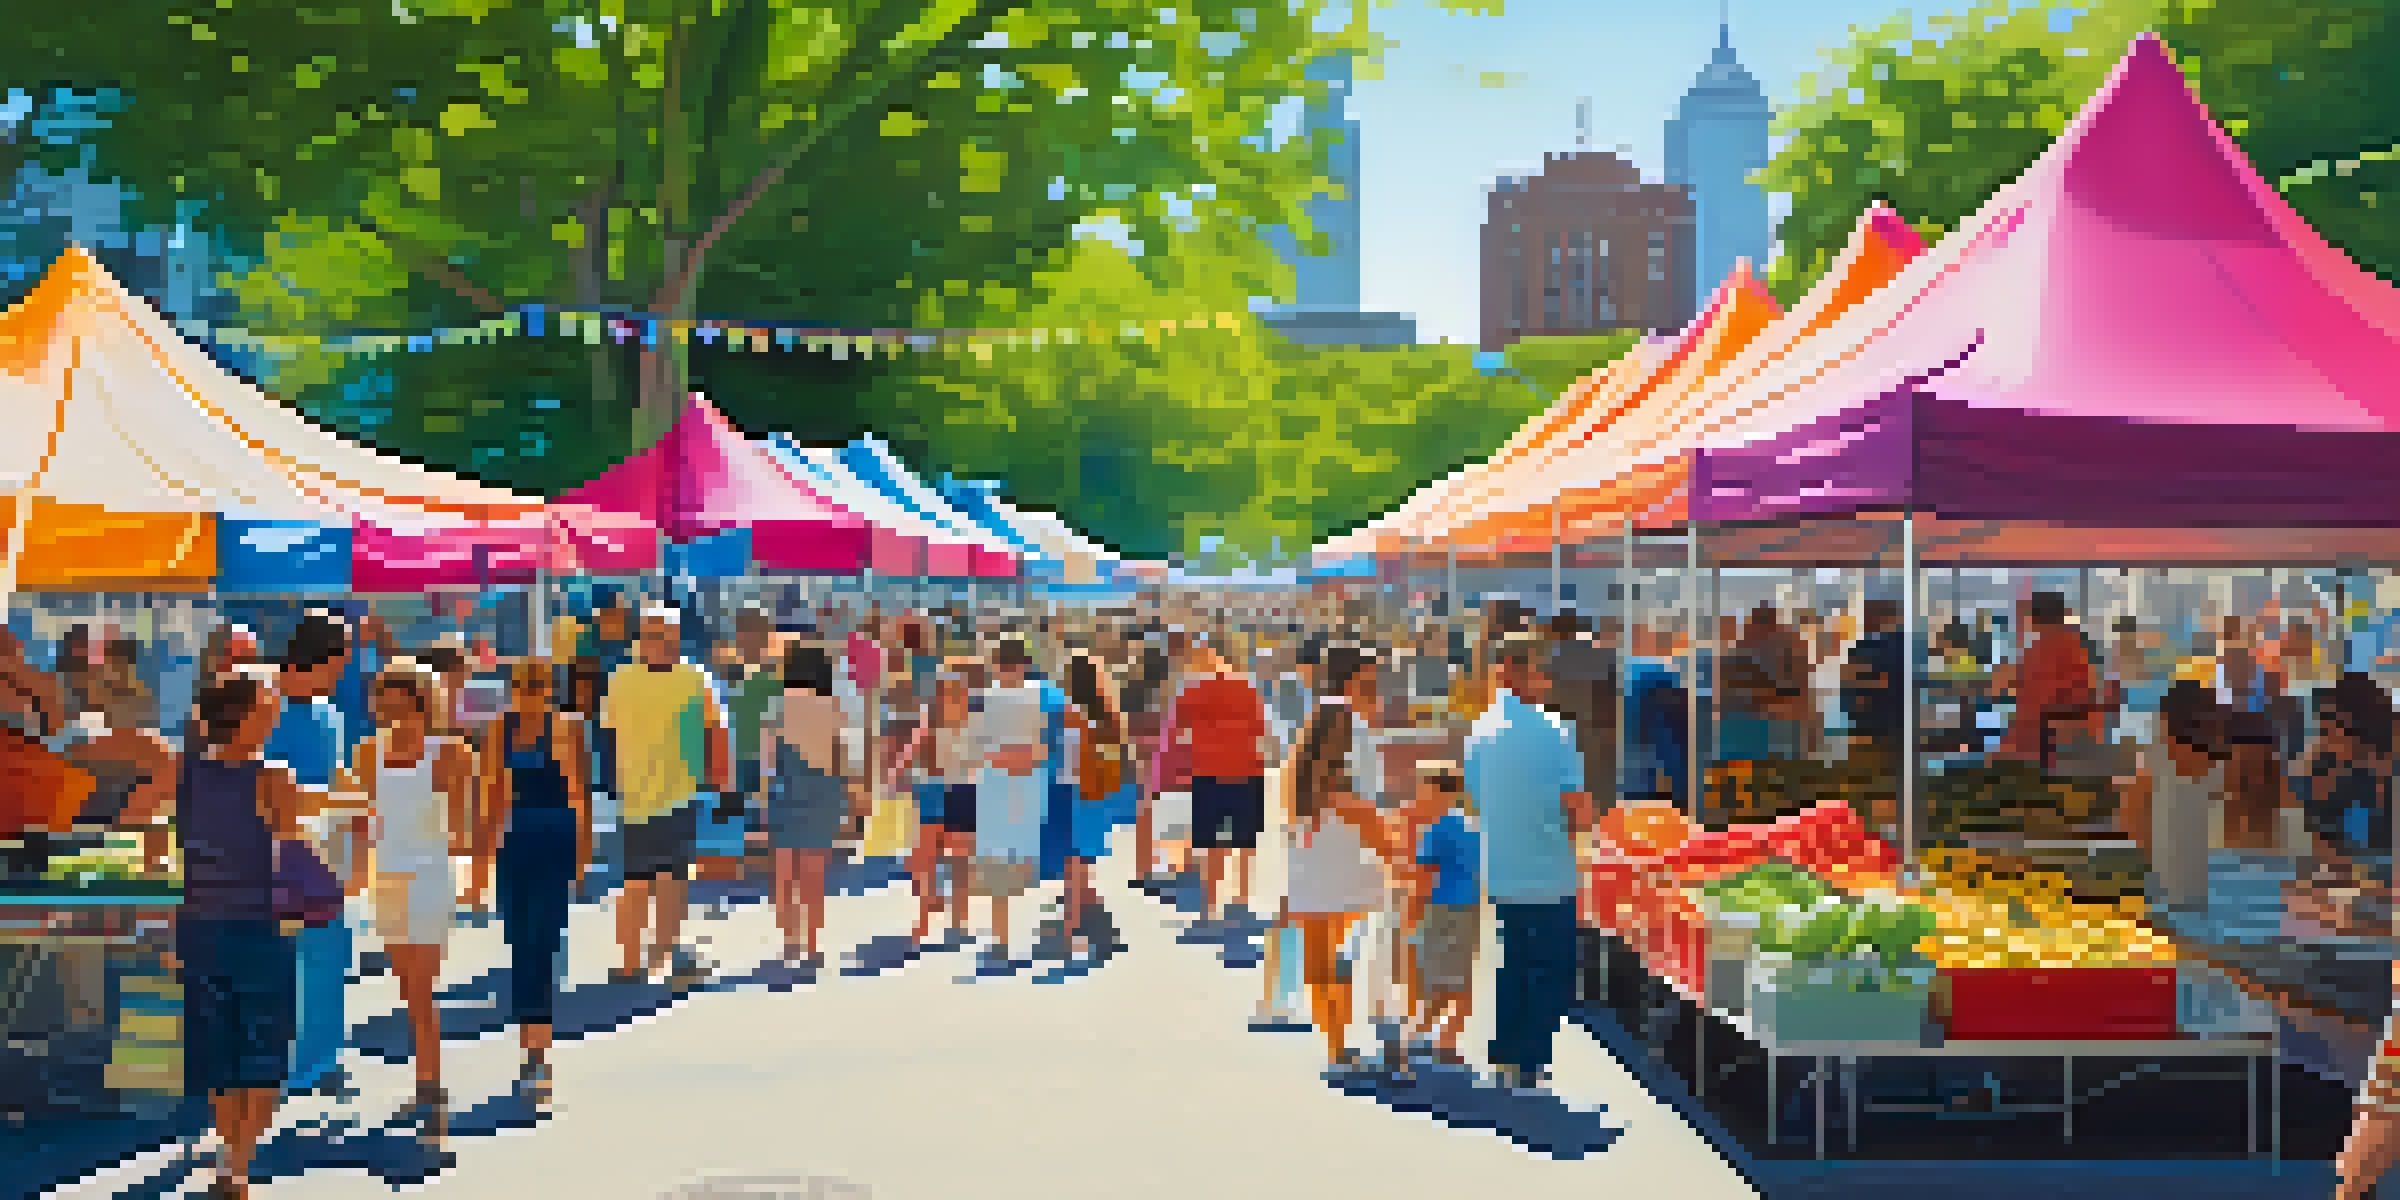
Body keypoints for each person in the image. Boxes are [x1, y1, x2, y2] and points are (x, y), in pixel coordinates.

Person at [179, 669, 317, 1199]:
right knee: (264, 1050)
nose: (276, 711)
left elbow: (148, 819)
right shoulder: (271, 776)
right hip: (259, 926)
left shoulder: (184, 772)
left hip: (198, 927)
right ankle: (236, 1163)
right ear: (241, 717)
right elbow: (293, 844)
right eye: (268, 704)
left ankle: (228, 1159)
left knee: (220, 1048)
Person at [344, 660, 475, 1146]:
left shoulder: (452, 753)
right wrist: (355, 875)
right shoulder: (366, 753)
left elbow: (466, 824)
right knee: (410, 991)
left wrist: (474, 871)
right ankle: (427, 1085)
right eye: (386, 701)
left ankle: (432, 1090)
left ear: (424, 703)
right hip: (388, 880)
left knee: (423, 988)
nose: (393, 711)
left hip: (432, 879)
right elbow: (360, 821)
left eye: (404, 701)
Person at [1467, 633, 1593, 1093]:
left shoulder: (1479, 732)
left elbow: (1476, 800)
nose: (1545, 679)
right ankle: (1528, 1061)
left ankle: (1503, 1055)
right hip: (1547, 870)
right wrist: (1585, 838)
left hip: (1501, 866)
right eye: (1539, 670)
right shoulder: (1555, 731)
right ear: (1521, 673)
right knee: (1548, 969)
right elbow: (1576, 806)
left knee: (1513, 961)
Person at [1284, 646, 1405, 1072]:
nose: (1377, 692)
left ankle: (1336, 1048)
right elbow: (1357, 804)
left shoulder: (1313, 722)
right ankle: (1349, 1045)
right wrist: (1394, 854)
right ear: (1354, 679)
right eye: (1371, 681)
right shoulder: (1354, 728)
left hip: (1309, 856)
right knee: (1347, 956)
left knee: (1320, 960)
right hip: (1347, 859)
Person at [479, 658, 589, 1103]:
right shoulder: (497, 731)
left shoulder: (564, 729)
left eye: (539, 687)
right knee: (519, 942)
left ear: (549, 690)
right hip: (514, 840)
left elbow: (578, 794)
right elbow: (491, 795)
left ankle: (536, 1053)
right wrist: (481, 861)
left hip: (553, 838)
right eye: (523, 686)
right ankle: (531, 1043)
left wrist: (580, 859)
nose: (530, 694)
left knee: (542, 944)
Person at [259, 614, 359, 1100]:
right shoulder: (261, 704)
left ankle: (321, 1058)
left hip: (321, 852)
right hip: (268, 851)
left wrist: (357, 809)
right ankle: (285, 1062)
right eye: (341, 662)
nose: (343, 673)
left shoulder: (327, 710)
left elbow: (334, 771)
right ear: (328, 657)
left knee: (326, 955)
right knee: (280, 959)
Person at [605, 608, 729, 982]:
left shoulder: (620, 678)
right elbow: (718, 732)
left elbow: (609, 736)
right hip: (677, 794)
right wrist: (723, 785)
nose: (664, 643)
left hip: (634, 798)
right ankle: (662, 959)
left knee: (635, 880)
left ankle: (629, 962)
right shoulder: (694, 677)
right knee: (670, 879)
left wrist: (614, 782)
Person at [758, 643, 858, 966]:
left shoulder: (777, 705)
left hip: (787, 789)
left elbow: (767, 761)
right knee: (813, 875)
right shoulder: (832, 706)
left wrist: (763, 802)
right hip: (823, 792)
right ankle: (812, 946)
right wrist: (849, 801)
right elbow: (841, 757)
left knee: (784, 873)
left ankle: (790, 941)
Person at [2289, 674, 2394, 937]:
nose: (2322, 741)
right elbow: (2325, 856)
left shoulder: (2380, 778)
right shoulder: (2336, 775)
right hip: (2359, 905)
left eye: (2326, 730)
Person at [965, 637, 1049, 965]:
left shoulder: (986, 698)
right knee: (1022, 858)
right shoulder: (1037, 696)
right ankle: (1024, 931)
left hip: (995, 783)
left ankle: (1000, 938)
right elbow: (1042, 747)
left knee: (997, 863)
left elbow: (974, 748)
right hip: (1027, 782)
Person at [1177, 640, 1273, 924]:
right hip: (1246, 770)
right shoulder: (1246, 688)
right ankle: (1240, 903)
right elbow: (1260, 728)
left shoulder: (1193, 691)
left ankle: (1210, 908)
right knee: (1244, 842)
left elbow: (1181, 730)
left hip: (1208, 771)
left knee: (1211, 844)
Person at [2124, 679, 2229, 914]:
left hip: (2165, 886)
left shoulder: (2157, 759)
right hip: (2210, 889)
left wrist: (2150, 857)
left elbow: (2130, 814)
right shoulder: (2224, 768)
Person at [893, 667, 977, 944]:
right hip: (934, 793)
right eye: (948, 694)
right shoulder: (931, 725)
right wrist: (897, 778)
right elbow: (907, 756)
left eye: (958, 694)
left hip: (962, 792)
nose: (954, 699)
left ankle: (957, 923)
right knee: (927, 862)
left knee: (959, 862)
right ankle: (927, 919)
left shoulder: (972, 725)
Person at [1409, 760, 1480, 1067]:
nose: (1419, 796)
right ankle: (1446, 1037)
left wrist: (1412, 916)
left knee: (1433, 975)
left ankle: (1423, 1035)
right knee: (1460, 976)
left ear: (1440, 791)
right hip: (1469, 908)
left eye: (1423, 789)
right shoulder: (1471, 825)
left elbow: (1424, 877)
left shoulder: (1436, 829)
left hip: (1441, 908)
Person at [1061, 653, 1126, 958]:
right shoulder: (1108, 716)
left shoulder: (1066, 712)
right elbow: (1120, 759)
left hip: (1071, 794)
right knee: (1082, 865)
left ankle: (1074, 930)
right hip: (1097, 796)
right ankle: (1095, 924)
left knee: (1074, 867)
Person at [1841, 600, 1906, 830]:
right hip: (1900, 727)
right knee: (1898, 787)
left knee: (1866, 788)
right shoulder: (1908, 648)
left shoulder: (1863, 648)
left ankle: (1867, 835)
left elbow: (1848, 686)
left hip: (1867, 727)